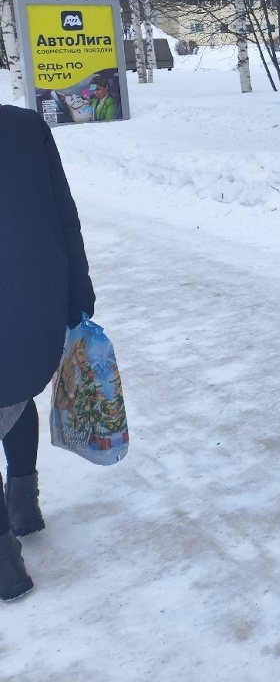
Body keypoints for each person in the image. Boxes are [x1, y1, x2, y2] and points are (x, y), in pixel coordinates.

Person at [0, 105, 97, 602]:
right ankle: (24, 504)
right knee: (12, 393)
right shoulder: (23, 127)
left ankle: (5, 564)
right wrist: (78, 293)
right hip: (30, 301)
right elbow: (64, 215)